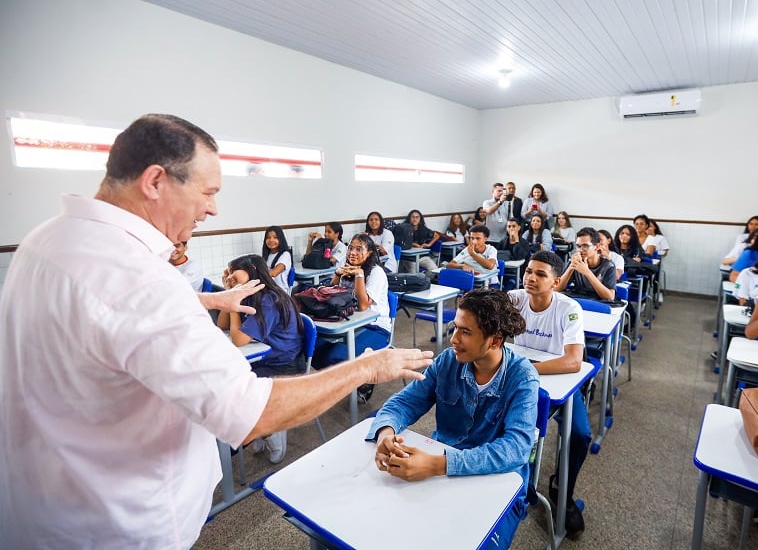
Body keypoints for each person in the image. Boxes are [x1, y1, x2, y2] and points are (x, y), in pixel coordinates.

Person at [0, 114, 434, 547]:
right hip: (117, 527)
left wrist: (209, 301)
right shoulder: (141, 279)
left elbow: (109, 314)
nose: (213, 209)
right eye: (208, 192)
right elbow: (249, 414)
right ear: (155, 182)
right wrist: (365, 368)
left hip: (45, 504)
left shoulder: (46, 241)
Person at [368, 288, 538, 549]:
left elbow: (516, 450)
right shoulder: (448, 361)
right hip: (439, 468)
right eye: (455, 327)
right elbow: (402, 403)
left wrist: (440, 465)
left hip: (498, 484)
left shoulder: (522, 377)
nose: (453, 339)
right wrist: (386, 433)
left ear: (494, 340)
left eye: (466, 332)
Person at [508, 251, 588, 538]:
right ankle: (512, 481)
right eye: (529, 271)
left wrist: (530, 369)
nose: (530, 278)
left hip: (559, 380)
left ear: (555, 282)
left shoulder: (568, 308)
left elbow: (573, 362)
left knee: (580, 435)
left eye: (540, 274)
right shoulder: (515, 299)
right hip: (524, 380)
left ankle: (562, 490)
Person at [217, 253, 304, 463]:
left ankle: (270, 430)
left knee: (236, 395)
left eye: (232, 271)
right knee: (225, 388)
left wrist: (234, 299)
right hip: (263, 360)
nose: (228, 276)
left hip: (284, 366)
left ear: (251, 272)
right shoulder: (253, 293)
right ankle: (258, 428)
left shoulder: (269, 300)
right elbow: (222, 325)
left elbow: (237, 339)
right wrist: (230, 295)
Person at [313, 234, 393, 370]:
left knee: (334, 357)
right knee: (314, 348)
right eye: (350, 248)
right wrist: (337, 275)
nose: (353, 253)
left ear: (369, 253)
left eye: (359, 249)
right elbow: (331, 296)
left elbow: (362, 306)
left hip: (375, 328)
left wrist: (359, 274)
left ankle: (361, 381)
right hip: (349, 324)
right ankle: (340, 384)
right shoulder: (348, 268)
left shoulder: (376, 272)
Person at [554, 227, 617, 300]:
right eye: (578, 246)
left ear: (597, 247)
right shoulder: (576, 262)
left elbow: (610, 297)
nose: (580, 250)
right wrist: (571, 266)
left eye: (585, 246)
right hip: (579, 302)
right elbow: (556, 289)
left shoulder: (609, 266)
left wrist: (587, 273)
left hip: (598, 305)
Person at [262, 224, 293, 293]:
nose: (271, 240)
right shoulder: (267, 255)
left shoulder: (285, 255)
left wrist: (258, 274)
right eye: (268, 237)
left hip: (280, 293)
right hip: (269, 290)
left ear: (281, 239)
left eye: (275, 237)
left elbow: (274, 273)